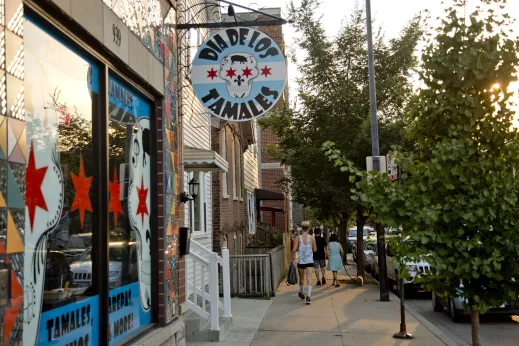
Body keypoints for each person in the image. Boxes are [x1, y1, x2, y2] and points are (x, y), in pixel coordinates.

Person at [292, 221, 317, 305]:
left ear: (302, 228)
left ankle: (302, 293)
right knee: (309, 278)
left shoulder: (298, 238)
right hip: (309, 261)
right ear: (309, 228)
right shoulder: (312, 238)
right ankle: (308, 297)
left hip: (301, 261)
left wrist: (293, 257)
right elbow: (315, 249)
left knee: (301, 278)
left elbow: (294, 249)